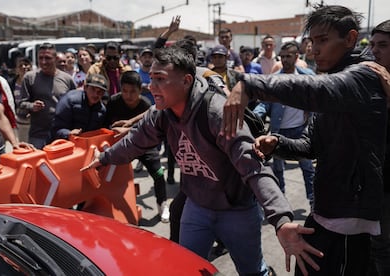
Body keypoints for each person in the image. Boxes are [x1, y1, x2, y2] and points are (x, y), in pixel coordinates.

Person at [83, 45, 323, 276]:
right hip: (197, 208)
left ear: (186, 81)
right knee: (186, 267)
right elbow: (135, 142)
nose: (151, 85)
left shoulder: (217, 113)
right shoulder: (160, 113)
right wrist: (103, 158)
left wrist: (281, 219)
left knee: (252, 271)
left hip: (237, 210)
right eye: (152, 78)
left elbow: (253, 167)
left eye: (160, 79)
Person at [222, 5, 387, 275]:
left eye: (323, 40)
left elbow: (317, 92)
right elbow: (310, 145)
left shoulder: (364, 76)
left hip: (348, 220)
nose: (314, 49)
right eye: (312, 42)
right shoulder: (334, 80)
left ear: (350, 39)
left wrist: (249, 84)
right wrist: (277, 142)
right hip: (325, 211)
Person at [253, 41, 315, 206]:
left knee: (308, 168)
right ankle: (281, 203)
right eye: (282, 57)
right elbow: (264, 104)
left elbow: (317, 102)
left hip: (301, 131)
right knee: (278, 169)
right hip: (279, 131)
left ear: (296, 57)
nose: (285, 60)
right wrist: (252, 118)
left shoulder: (307, 76)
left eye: (289, 56)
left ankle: (313, 202)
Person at [104, 71, 169, 223]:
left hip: (145, 145)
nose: (128, 95)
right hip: (120, 146)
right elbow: (105, 124)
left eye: (133, 91)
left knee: (159, 174)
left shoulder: (146, 105)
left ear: (141, 90)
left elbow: (153, 131)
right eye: (125, 91)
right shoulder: (113, 101)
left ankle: (162, 204)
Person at [363, 19, 390, 276]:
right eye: (373, 45)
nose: (375, 51)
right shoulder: (370, 81)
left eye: (382, 45)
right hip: (374, 182)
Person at [19, 42, 76, 149]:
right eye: (40, 58)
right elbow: (21, 104)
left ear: (55, 58)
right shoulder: (30, 78)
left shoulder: (67, 79)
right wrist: (32, 106)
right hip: (39, 135)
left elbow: (75, 105)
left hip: (61, 135)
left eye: (47, 58)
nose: (43, 62)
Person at [52, 73, 107, 140]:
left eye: (100, 91)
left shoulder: (101, 110)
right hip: (62, 144)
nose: (96, 94)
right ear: (85, 88)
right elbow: (55, 128)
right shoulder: (69, 100)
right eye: (93, 89)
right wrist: (68, 133)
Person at [8, 57, 33, 142]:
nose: (23, 67)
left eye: (26, 64)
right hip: (18, 119)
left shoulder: (35, 81)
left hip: (33, 119)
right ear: (16, 69)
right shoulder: (12, 83)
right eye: (20, 65)